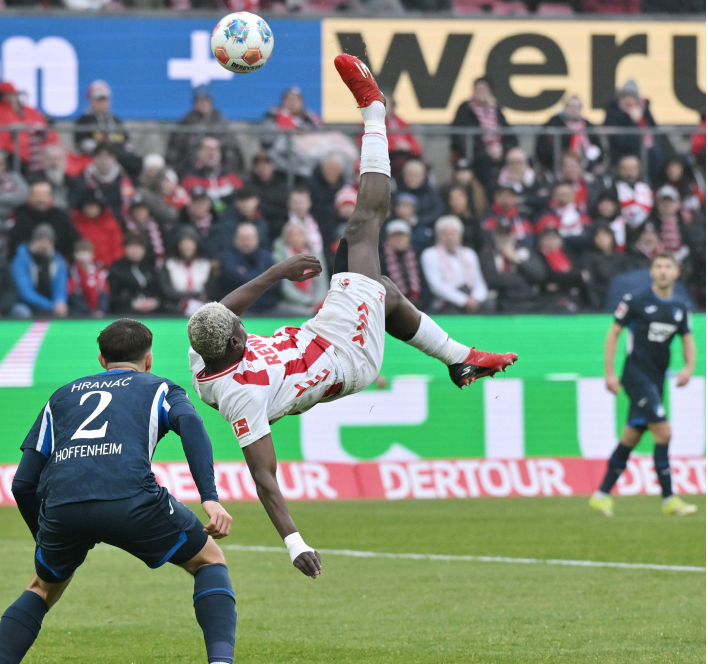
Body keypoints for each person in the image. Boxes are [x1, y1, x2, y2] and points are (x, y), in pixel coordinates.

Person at [186, 57, 517, 579]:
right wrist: (294, 542)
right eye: (238, 331)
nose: (242, 324)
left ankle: (460, 359)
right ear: (229, 347)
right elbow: (263, 474)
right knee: (364, 227)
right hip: (348, 357)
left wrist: (277, 271)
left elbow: (227, 308)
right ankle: (374, 110)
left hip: (322, 334)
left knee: (379, 286)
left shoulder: (204, 344)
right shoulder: (240, 396)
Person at [0, 319, 235, 664]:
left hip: (63, 506)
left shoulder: (62, 396)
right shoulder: (160, 387)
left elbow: (22, 483)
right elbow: (191, 424)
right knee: (208, 560)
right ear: (149, 359)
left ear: (101, 360)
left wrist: (44, 537)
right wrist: (209, 496)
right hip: (131, 500)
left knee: (41, 587)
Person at [591, 253, 697, 518]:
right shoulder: (635, 301)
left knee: (631, 436)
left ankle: (601, 495)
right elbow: (613, 333)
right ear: (652, 272)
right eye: (658, 266)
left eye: (667, 267)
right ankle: (669, 498)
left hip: (656, 380)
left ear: (676, 272)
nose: (663, 271)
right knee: (664, 433)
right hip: (635, 376)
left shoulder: (680, 308)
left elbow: (687, 340)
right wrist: (609, 373)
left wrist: (688, 367)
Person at [0, 81, 62, 175]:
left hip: (35, 151)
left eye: (12, 94)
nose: (10, 97)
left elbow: (42, 127)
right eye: (6, 94)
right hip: (11, 152)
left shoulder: (27, 109)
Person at [449, 76, 517, 190]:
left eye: (484, 89)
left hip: (498, 151)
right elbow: (458, 135)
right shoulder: (465, 109)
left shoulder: (496, 110)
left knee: (517, 158)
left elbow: (509, 134)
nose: (481, 92)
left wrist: (503, 149)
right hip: (475, 152)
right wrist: (486, 150)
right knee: (483, 160)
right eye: (478, 89)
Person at [165, 85, 243, 176]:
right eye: (200, 101)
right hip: (191, 170)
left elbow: (232, 147)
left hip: (220, 170)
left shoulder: (220, 122)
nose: (203, 104)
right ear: (194, 103)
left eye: (206, 100)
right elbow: (174, 149)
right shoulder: (186, 122)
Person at [73, 80, 142, 177]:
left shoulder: (115, 120)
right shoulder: (85, 120)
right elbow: (83, 143)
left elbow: (127, 142)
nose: (102, 103)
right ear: (90, 101)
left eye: (105, 99)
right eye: (98, 100)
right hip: (96, 158)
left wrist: (118, 150)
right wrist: (107, 151)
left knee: (135, 163)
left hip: (118, 156)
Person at [422, 216, 490, 314]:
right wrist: (463, 300)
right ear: (439, 236)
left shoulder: (469, 253)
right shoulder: (430, 254)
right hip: (447, 302)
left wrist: (476, 298)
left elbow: (479, 282)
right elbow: (436, 285)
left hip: (472, 297)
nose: (450, 237)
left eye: (453, 233)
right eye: (445, 234)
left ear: (460, 235)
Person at [480, 220, 544, 314]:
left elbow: (539, 275)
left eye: (507, 234)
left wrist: (516, 260)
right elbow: (490, 279)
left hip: (525, 297)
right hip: (500, 299)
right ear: (495, 236)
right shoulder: (487, 254)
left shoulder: (525, 251)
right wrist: (523, 279)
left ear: (513, 235)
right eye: (501, 234)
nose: (504, 238)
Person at [10, 180, 79, 260]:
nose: (41, 200)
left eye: (44, 195)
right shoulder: (21, 216)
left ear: (51, 197)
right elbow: (14, 244)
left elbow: (73, 241)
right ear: (30, 197)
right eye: (37, 195)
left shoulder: (60, 216)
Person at [217, 222, 277, 314]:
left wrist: (245, 274)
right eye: (242, 238)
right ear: (235, 240)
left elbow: (277, 283)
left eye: (249, 238)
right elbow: (234, 280)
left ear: (257, 239)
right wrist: (263, 276)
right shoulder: (227, 258)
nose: (246, 242)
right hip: (235, 310)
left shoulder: (266, 257)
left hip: (268, 308)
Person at [272, 219, 328, 317]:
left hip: (316, 301)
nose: (295, 238)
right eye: (291, 235)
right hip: (290, 303)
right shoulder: (278, 256)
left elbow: (322, 283)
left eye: (299, 234)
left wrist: (316, 301)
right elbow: (285, 288)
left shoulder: (316, 255)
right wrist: (308, 301)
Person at [12, 224, 69, 318]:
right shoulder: (21, 260)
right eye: (41, 240)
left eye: (48, 241)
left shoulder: (57, 260)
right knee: (21, 311)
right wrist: (51, 306)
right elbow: (25, 292)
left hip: (52, 305)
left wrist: (60, 302)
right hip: (28, 305)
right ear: (34, 240)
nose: (45, 244)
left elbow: (60, 286)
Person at [535, 95, 602, 173]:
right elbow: (542, 149)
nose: (573, 110)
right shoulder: (553, 124)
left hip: (586, 169)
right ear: (565, 107)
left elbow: (598, 149)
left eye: (576, 107)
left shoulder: (588, 126)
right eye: (570, 106)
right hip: (559, 170)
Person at [161, 227, 214, 317]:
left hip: (202, 307)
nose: (187, 247)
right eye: (183, 243)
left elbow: (210, 289)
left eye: (190, 243)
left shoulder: (205, 265)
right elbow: (167, 290)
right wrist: (187, 298)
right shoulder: (169, 264)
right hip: (174, 307)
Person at [181, 137, 243, 211]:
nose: (211, 153)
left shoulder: (231, 176)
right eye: (207, 149)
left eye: (214, 149)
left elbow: (240, 197)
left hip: (229, 217)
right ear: (199, 152)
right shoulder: (190, 177)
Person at [78, 143, 135, 222]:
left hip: (122, 220)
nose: (103, 161)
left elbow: (130, 200)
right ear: (93, 159)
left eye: (108, 157)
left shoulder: (123, 178)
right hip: (96, 222)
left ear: (114, 159)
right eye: (99, 157)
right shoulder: (85, 178)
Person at [107, 234, 162, 314]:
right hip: (125, 313)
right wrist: (132, 303)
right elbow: (113, 295)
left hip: (153, 313)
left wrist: (154, 301)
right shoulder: (117, 267)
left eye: (138, 247)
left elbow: (160, 291)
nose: (135, 250)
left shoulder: (151, 267)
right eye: (131, 246)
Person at [380, 219, 428, 309]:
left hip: (418, 305)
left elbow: (424, 285)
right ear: (388, 238)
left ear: (409, 238)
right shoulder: (381, 259)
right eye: (395, 237)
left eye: (402, 236)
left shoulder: (416, 256)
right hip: (393, 306)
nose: (399, 240)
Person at [71, 193, 123, 269]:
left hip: (110, 267)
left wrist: (108, 262)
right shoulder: (76, 224)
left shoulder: (111, 224)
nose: (91, 210)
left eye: (94, 207)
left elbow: (117, 246)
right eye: (88, 207)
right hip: (83, 266)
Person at [246, 152, 290, 232]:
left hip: (281, 223)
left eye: (265, 165)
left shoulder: (281, 183)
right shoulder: (250, 186)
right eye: (258, 166)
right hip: (259, 224)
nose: (262, 169)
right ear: (254, 169)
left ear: (271, 167)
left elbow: (286, 205)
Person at [67, 240, 109, 317]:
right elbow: (72, 295)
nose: (83, 256)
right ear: (75, 255)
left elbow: (104, 293)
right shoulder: (72, 273)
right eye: (80, 252)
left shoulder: (99, 274)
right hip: (80, 313)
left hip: (98, 313)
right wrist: (88, 312)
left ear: (92, 255)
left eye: (86, 252)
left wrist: (101, 310)